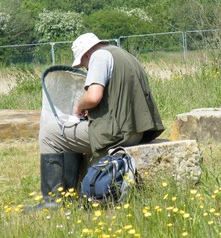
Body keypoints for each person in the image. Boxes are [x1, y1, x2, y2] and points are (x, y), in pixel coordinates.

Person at [34, 32, 164, 210]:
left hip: (116, 134)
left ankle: (52, 202)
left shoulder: (99, 57)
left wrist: (80, 106)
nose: (85, 68)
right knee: (70, 132)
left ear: (86, 54)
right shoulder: (124, 55)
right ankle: (71, 193)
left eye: (82, 63)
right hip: (138, 131)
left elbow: (94, 97)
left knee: (49, 133)